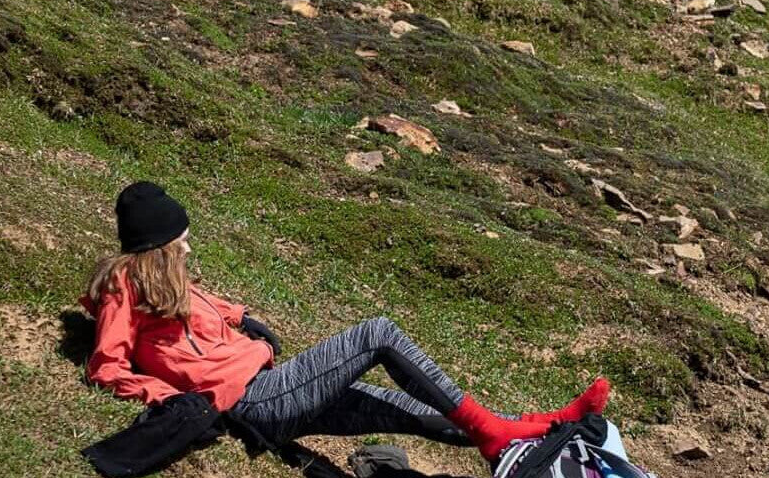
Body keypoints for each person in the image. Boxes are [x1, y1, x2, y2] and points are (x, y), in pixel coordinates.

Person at [82, 181, 609, 460]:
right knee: (377, 333)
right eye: (182, 239)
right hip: (253, 402)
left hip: (271, 389)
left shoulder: (166, 280)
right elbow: (107, 366)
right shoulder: (124, 286)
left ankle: (542, 433)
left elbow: (201, 311)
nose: (189, 246)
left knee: (409, 411)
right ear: (159, 245)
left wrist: (241, 315)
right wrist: (170, 398)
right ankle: (495, 430)